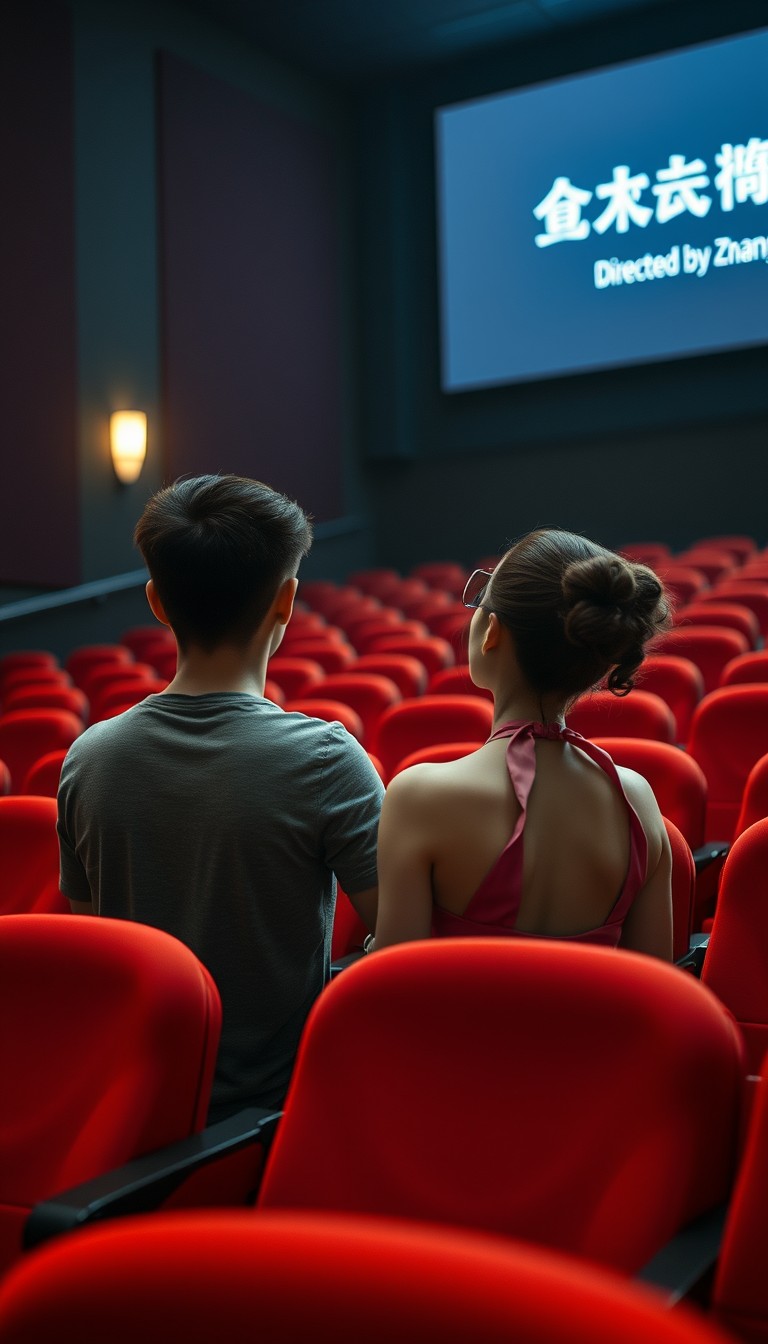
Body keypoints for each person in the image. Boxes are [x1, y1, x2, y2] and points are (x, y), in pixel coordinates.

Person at [57, 474, 383, 1117]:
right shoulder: (326, 759)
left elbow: (96, 949)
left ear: (156, 601)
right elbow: (401, 940)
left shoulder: (86, 758)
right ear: (286, 601)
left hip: (127, 1112)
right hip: (273, 1117)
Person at [374, 528, 673, 958]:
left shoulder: (417, 797)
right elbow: (655, 988)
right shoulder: (637, 800)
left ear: (491, 630)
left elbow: (393, 991)